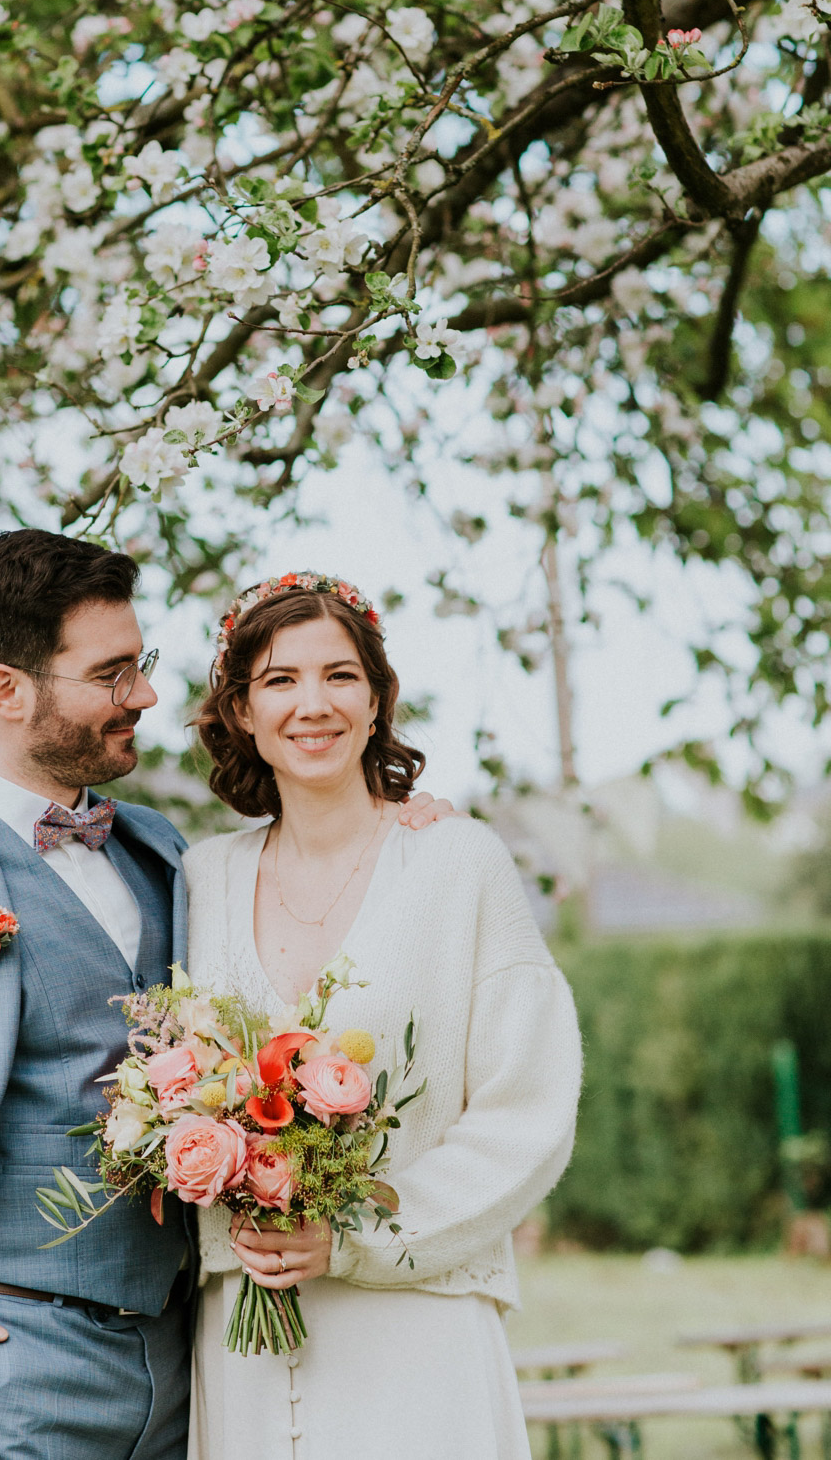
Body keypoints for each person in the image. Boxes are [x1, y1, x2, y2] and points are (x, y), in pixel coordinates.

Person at [0, 530, 455, 1458]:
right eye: (112, 673)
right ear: (6, 689)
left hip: (187, 1375)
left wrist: (398, 829)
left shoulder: (167, 852)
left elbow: (298, 908)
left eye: (139, 663)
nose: (144, 693)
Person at [184, 573, 583, 1460]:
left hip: (417, 1326)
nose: (312, 703)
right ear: (242, 710)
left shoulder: (459, 863)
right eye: (279, 680)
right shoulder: (199, 878)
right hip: (243, 1337)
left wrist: (361, 1230)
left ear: (377, 700)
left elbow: (529, 1107)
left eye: (340, 675)